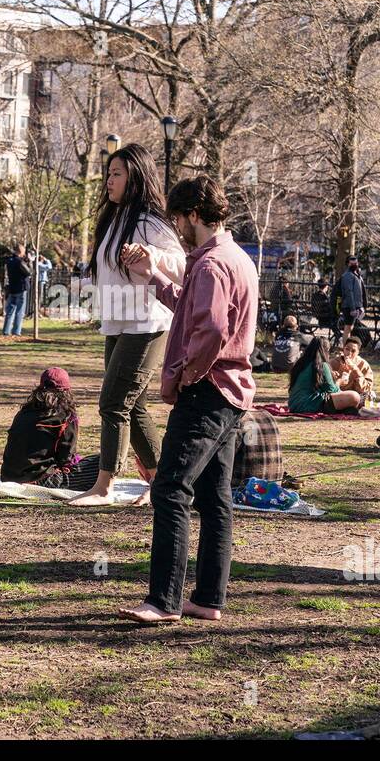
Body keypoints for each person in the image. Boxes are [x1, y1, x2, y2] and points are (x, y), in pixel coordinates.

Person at [114, 175, 258, 623]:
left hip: (208, 392)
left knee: (171, 489)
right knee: (215, 498)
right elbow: (194, 309)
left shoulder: (213, 265)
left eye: (178, 218)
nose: (176, 227)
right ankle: (208, 598)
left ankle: (163, 599)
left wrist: (187, 373)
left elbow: (212, 330)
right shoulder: (236, 259)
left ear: (194, 214)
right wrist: (153, 277)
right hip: (233, 395)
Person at [69, 144, 186, 507]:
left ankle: (105, 486)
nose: (109, 180)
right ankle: (161, 481)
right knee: (132, 408)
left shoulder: (151, 221)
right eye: (108, 173)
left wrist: (153, 256)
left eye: (116, 173)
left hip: (148, 323)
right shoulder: (115, 219)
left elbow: (183, 264)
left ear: (135, 176)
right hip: (118, 323)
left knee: (113, 403)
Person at [0, 367, 100, 491]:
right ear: (67, 390)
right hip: (40, 479)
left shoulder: (24, 412)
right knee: (102, 461)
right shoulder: (67, 417)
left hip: (9, 476)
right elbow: (66, 459)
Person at [288, 335, 361, 415]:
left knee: (351, 407)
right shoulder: (321, 365)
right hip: (309, 405)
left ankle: (346, 410)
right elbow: (332, 390)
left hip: (293, 405)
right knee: (355, 396)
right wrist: (340, 382)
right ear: (325, 350)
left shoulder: (301, 363)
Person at [330, 335, 374, 404]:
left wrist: (356, 370)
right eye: (347, 349)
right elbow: (329, 387)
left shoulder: (364, 365)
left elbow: (367, 389)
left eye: (353, 351)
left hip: (357, 399)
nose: (349, 353)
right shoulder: (333, 363)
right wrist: (340, 372)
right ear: (343, 349)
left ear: (358, 352)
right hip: (338, 397)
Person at [2, 244, 31, 337]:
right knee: (19, 311)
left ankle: (6, 331)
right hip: (21, 288)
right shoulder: (19, 262)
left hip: (12, 288)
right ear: (21, 252)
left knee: (10, 311)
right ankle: (16, 331)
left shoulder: (9, 261)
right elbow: (29, 272)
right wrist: (29, 262)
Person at [338, 256, 364, 340]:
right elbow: (349, 292)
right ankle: (345, 347)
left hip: (354, 305)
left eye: (355, 263)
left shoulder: (356, 274)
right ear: (347, 264)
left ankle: (346, 347)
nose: (354, 264)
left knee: (350, 327)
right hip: (349, 306)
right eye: (351, 263)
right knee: (348, 328)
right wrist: (353, 308)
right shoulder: (348, 275)